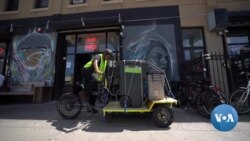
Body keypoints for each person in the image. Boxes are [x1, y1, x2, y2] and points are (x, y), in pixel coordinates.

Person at [80, 49, 114, 114]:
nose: (109, 59)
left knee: (95, 91)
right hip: (86, 70)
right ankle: (83, 92)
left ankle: (91, 107)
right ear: (105, 54)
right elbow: (95, 63)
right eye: (108, 57)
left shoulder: (106, 61)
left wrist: (107, 77)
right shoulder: (98, 56)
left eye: (110, 58)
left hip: (94, 74)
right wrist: (97, 70)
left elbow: (104, 71)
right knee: (94, 80)